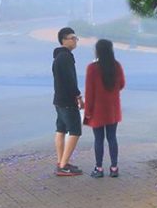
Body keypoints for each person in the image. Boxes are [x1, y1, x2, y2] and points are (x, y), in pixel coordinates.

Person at [84, 39, 126, 178]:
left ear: (97, 51)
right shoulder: (117, 66)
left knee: (99, 139)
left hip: (97, 110)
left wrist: (88, 112)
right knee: (112, 138)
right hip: (113, 109)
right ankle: (114, 168)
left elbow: (89, 92)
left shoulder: (92, 68)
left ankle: (99, 168)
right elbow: (121, 84)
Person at [53, 27, 84, 176]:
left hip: (59, 100)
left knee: (61, 130)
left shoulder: (59, 56)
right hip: (67, 100)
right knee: (75, 131)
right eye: (72, 38)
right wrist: (78, 96)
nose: (75, 41)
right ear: (64, 40)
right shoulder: (66, 57)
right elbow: (70, 80)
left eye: (75, 38)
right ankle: (63, 165)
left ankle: (61, 162)